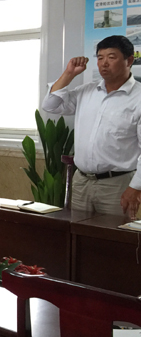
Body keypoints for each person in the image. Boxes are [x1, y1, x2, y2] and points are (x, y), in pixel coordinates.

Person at [42, 35, 141, 217]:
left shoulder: (138, 97)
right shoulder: (87, 91)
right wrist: (69, 74)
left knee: (112, 233)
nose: (104, 63)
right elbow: (50, 105)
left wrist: (136, 187)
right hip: (81, 181)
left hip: (117, 185)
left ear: (129, 60)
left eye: (111, 57)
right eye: (100, 58)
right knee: (77, 232)